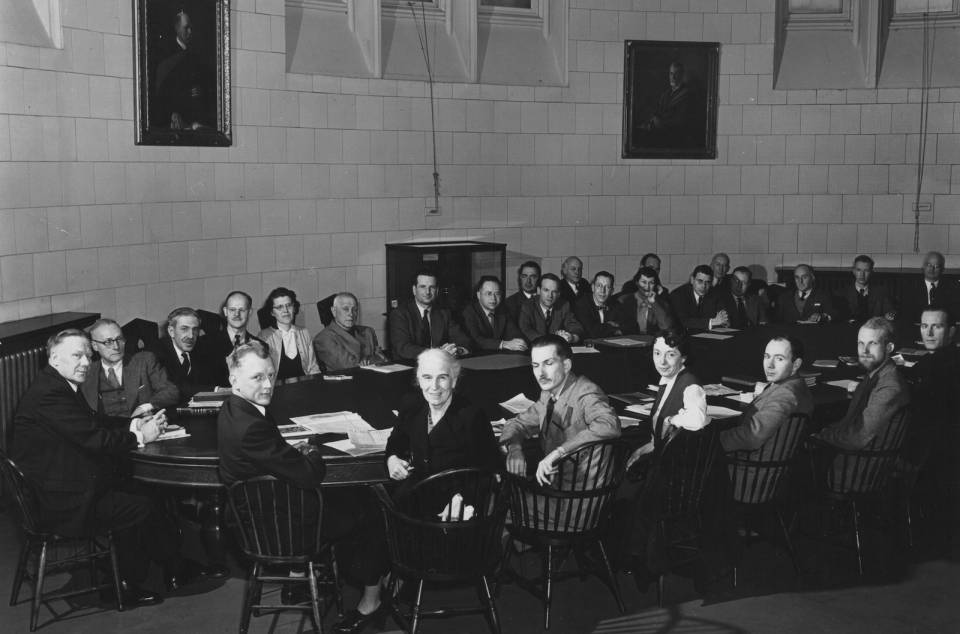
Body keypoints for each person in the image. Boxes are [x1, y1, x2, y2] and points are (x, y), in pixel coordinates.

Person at [216, 342, 388, 634]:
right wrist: (310, 452)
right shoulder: (252, 427)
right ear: (234, 379)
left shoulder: (234, 408)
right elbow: (309, 475)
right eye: (257, 377)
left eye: (270, 375)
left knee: (349, 500)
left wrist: (284, 452)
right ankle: (372, 599)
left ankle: (310, 576)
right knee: (366, 503)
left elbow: (266, 454)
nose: (268, 384)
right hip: (278, 529)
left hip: (257, 515)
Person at [12, 329, 187, 606]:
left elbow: (93, 421)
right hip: (60, 502)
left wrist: (134, 424)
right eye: (77, 355)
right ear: (55, 358)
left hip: (60, 485)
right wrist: (142, 436)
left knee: (146, 489)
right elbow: (95, 439)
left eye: (87, 356)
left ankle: (176, 567)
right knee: (139, 503)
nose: (85, 362)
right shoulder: (51, 394)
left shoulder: (57, 384)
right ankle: (122, 586)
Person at [500, 335, 621, 487]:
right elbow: (518, 423)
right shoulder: (547, 394)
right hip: (555, 484)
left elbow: (609, 424)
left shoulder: (586, 392)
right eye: (535, 365)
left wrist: (559, 452)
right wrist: (515, 448)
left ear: (566, 366)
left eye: (548, 363)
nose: (541, 374)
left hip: (579, 496)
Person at [385, 349, 501, 488]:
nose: (434, 386)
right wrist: (392, 460)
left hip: (457, 502)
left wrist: (462, 503)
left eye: (442, 377)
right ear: (419, 379)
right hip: (417, 493)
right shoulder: (411, 405)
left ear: (454, 381)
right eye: (427, 377)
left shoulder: (472, 416)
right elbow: (395, 443)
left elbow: (490, 469)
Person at [816, 317, 910, 451]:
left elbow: (858, 438)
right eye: (860, 343)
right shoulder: (875, 374)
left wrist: (822, 436)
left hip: (865, 462)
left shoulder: (889, 385)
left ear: (889, 347)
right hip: (855, 454)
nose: (864, 350)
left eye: (872, 343)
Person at [626, 331, 708, 467]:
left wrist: (672, 419)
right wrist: (646, 448)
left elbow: (697, 420)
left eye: (670, 354)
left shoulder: (690, 384)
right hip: (665, 455)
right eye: (657, 353)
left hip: (680, 467)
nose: (662, 361)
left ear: (683, 358)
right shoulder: (668, 379)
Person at [720, 336, 813, 453]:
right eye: (767, 357)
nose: (770, 365)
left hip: (747, 467)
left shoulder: (786, 394)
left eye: (779, 359)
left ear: (796, 364)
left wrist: (714, 440)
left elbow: (752, 437)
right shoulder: (794, 385)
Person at [82, 318, 179, 417]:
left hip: (142, 425)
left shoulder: (144, 361)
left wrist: (146, 407)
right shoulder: (87, 371)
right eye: (108, 342)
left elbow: (171, 392)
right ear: (95, 346)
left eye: (119, 339)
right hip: (106, 429)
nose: (116, 346)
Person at [153, 9, 216, 130]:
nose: (190, 31)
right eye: (186, 28)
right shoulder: (167, 55)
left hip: (196, 119)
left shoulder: (196, 55)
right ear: (177, 29)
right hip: (176, 119)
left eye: (191, 28)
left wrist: (200, 90)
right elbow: (164, 93)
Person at [388, 269, 470, 361]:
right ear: (414, 290)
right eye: (423, 287)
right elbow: (403, 348)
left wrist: (457, 350)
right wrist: (437, 353)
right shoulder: (400, 314)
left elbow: (463, 341)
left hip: (440, 366)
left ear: (437, 291)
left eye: (432, 287)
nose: (427, 292)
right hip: (409, 367)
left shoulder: (444, 313)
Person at [197, 291, 267, 387]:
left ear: (250, 312)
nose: (236, 314)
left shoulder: (261, 346)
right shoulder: (204, 343)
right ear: (225, 311)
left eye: (241, 310)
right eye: (232, 310)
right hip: (217, 400)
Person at [256, 287, 321, 381]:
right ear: (272, 312)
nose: (285, 311)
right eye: (279, 307)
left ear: (294, 308)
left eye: (289, 305)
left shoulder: (304, 332)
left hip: (305, 388)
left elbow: (313, 368)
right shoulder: (264, 337)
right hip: (277, 391)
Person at [313, 292, 389, 371]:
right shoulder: (323, 339)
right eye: (345, 309)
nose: (351, 314)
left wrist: (368, 361)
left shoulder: (368, 331)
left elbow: (384, 360)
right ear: (334, 311)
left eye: (355, 309)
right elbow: (350, 367)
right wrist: (374, 359)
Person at [637, 61, 698, 147]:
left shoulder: (688, 95)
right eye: (671, 73)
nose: (672, 77)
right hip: (659, 131)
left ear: (682, 75)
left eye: (676, 74)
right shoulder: (665, 94)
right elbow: (657, 110)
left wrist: (662, 123)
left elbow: (682, 121)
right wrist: (653, 118)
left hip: (675, 136)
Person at [461, 276, 528, 352]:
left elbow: (513, 332)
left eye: (497, 294)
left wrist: (519, 342)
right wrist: (504, 344)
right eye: (488, 293)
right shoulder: (469, 312)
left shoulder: (503, 310)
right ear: (479, 295)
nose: (493, 298)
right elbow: (476, 340)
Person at [153, 306, 207, 399]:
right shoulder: (156, 354)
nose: (191, 336)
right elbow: (174, 388)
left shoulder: (203, 349)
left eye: (195, 329)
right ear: (171, 331)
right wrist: (215, 390)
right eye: (184, 329)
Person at [518, 273, 585, 344]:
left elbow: (575, 326)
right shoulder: (527, 306)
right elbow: (526, 331)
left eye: (554, 292)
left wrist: (571, 337)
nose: (550, 295)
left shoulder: (564, 305)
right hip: (535, 349)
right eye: (546, 290)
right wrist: (553, 340)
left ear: (559, 294)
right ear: (538, 290)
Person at [899, 251, 960, 326]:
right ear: (923, 267)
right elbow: (906, 314)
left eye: (936, 266)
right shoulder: (911, 288)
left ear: (942, 269)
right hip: (916, 329)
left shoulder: (952, 289)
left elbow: (953, 315)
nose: (932, 269)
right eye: (929, 265)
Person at [834, 255, 896, 323]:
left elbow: (890, 311)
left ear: (871, 272)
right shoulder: (841, 293)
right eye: (858, 270)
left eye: (866, 271)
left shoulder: (881, 292)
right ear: (853, 271)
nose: (862, 275)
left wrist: (889, 315)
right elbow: (838, 318)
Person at [618, 266, 677, 335]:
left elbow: (666, 327)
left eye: (651, 283)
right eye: (643, 282)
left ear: (655, 285)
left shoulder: (662, 302)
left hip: (653, 342)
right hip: (630, 341)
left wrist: (654, 303)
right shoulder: (625, 301)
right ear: (637, 283)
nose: (647, 287)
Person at [669, 264, 729, 331]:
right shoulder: (678, 295)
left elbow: (723, 318)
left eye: (707, 282)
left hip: (708, 336)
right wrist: (712, 322)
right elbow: (682, 321)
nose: (703, 286)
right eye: (700, 281)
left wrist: (724, 321)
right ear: (692, 280)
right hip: (683, 336)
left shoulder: (714, 294)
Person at [575, 271, 626, 339]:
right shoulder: (582, 304)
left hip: (610, 346)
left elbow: (631, 326)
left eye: (607, 287)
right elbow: (592, 332)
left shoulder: (615, 304)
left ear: (612, 291)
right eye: (599, 286)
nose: (603, 291)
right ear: (593, 287)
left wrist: (604, 328)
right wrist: (611, 326)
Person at [504, 260, 541, 325]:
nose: (528, 281)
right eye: (524, 276)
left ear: (539, 279)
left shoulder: (546, 299)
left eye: (533, 277)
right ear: (519, 278)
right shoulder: (509, 304)